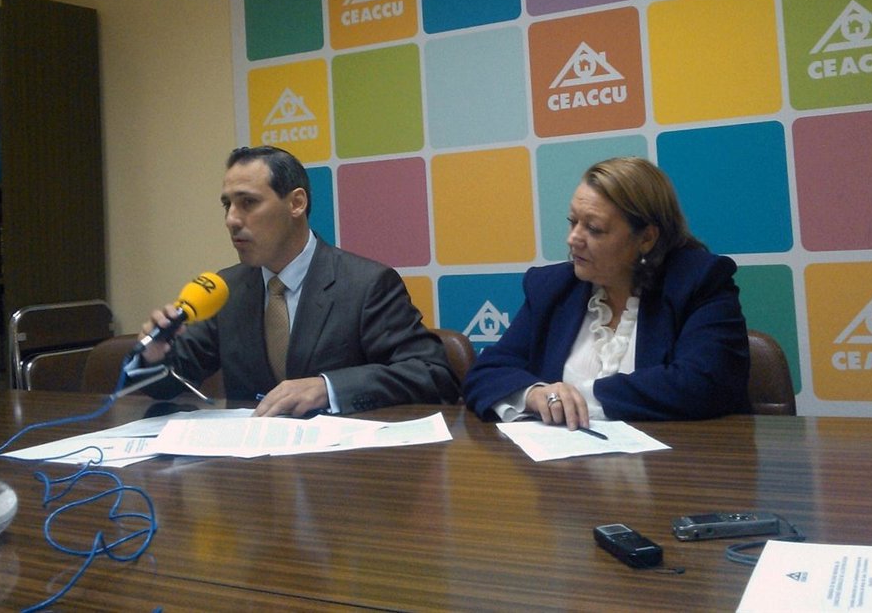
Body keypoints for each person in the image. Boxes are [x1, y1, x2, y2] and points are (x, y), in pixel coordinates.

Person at [137, 145, 460, 415]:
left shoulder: (366, 284)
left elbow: (431, 374)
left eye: (248, 202)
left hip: (342, 462)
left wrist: (328, 388)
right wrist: (154, 355)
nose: (231, 220)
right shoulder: (227, 289)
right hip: (250, 461)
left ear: (296, 203)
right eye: (227, 205)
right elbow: (170, 383)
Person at [462, 156, 750, 426]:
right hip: (565, 459)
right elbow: (487, 372)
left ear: (647, 238)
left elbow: (704, 382)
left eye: (594, 228)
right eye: (573, 222)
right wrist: (535, 395)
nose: (573, 239)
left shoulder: (697, 281)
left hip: (679, 458)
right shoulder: (552, 287)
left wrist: (580, 397)